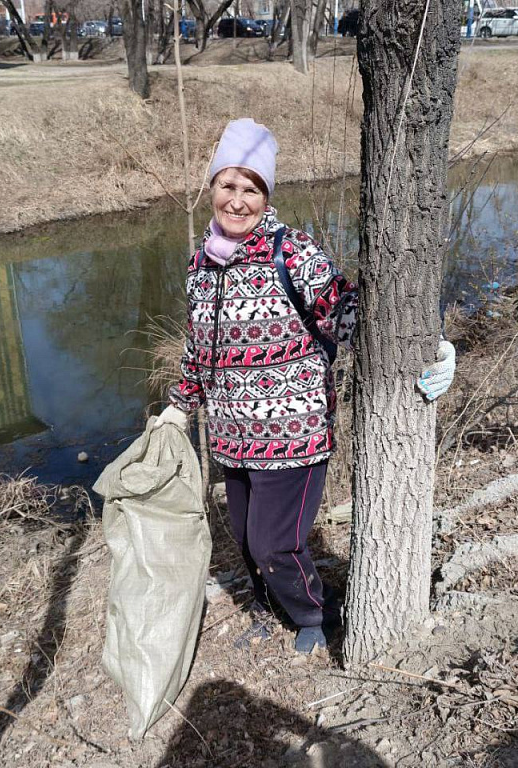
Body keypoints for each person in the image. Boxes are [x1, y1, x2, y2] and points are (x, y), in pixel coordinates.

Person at [155, 118, 456, 653]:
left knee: (276, 543)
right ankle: (274, 607)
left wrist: (428, 342)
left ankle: (315, 616)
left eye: (252, 189)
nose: (238, 200)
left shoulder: (291, 252)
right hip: (232, 437)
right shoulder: (201, 263)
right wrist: (180, 408)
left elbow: (347, 310)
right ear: (211, 188)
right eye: (229, 185)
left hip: (292, 433)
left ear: (266, 195)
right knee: (247, 543)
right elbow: (199, 346)